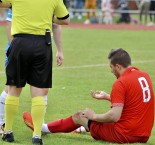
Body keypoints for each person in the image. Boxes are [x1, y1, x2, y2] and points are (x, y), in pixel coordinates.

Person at [23, 48, 154, 144]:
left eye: (111, 67)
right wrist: (108, 96)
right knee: (96, 119)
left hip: (124, 135)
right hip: (143, 135)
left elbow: (114, 116)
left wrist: (94, 116)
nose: (111, 71)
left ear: (118, 66)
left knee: (81, 115)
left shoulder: (120, 83)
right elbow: (136, 101)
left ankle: (43, 129)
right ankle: (81, 129)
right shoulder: (144, 75)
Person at [0, 0, 70, 145]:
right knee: (39, 93)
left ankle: (8, 132)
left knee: (13, 89)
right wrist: (49, 16)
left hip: (19, 42)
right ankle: (37, 136)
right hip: (42, 44)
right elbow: (65, 20)